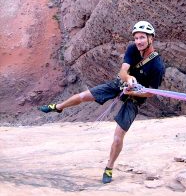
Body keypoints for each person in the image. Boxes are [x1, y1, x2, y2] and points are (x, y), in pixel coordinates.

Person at [38, 21, 165, 184]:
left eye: (142, 38)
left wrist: (132, 91)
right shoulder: (133, 49)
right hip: (120, 84)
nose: (138, 41)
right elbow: (123, 71)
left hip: (134, 98)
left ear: (151, 39)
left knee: (118, 138)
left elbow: (150, 93)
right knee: (84, 96)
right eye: (136, 38)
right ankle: (59, 107)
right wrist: (128, 79)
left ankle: (109, 168)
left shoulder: (157, 66)